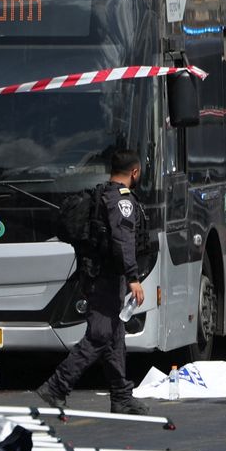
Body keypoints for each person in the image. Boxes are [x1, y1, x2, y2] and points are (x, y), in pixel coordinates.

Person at [36, 149, 151, 415]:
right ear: (134, 172)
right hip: (106, 279)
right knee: (100, 336)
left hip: (97, 275)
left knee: (114, 337)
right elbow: (123, 241)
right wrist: (133, 278)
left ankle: (121, 396)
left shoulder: (101, 193)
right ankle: (56, 386)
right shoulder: (121, 201)